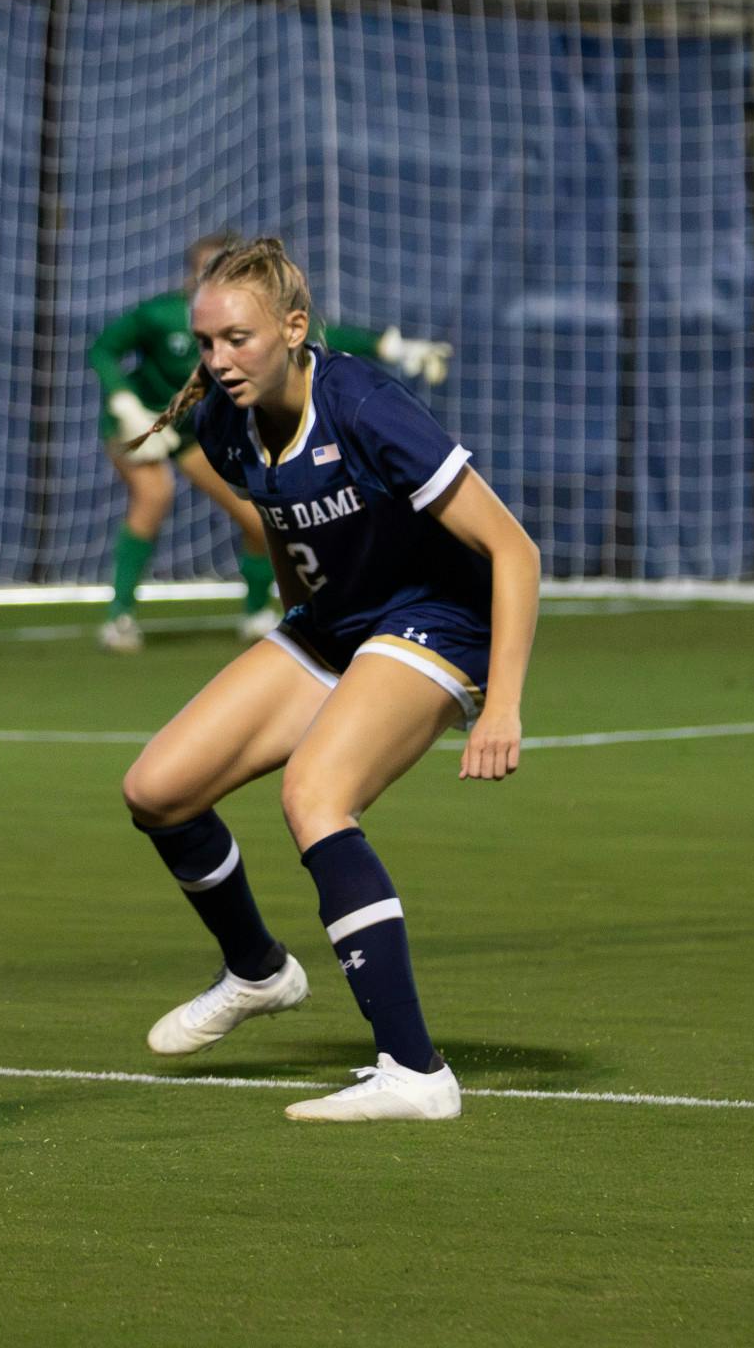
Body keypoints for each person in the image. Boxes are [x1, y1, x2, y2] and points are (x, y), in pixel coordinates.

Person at [117, 237, 538, 1122]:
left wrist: (501, 704)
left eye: (238, 339)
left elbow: (514, 549)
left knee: (315, 795)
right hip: (334, 623)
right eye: (206, 342)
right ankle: (258, 970)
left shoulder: (365, 405)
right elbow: (283, 525)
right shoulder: (224, 424)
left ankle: (415, 1072)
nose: (218, 360)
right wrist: (297, 635)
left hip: (437, 620)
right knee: (158, 789)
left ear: (294, 328)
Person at [89, 234, 452, 652]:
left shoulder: (331, 376)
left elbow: (319, 331)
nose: (219, 356)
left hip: (191, 431)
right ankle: (119, 617)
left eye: (237, 339)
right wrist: (125, 403)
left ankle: (259, 613)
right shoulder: (158, 314)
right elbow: (103, 349)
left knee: (257, 515)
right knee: (153, 496)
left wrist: (389, 345)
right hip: (137, 422)